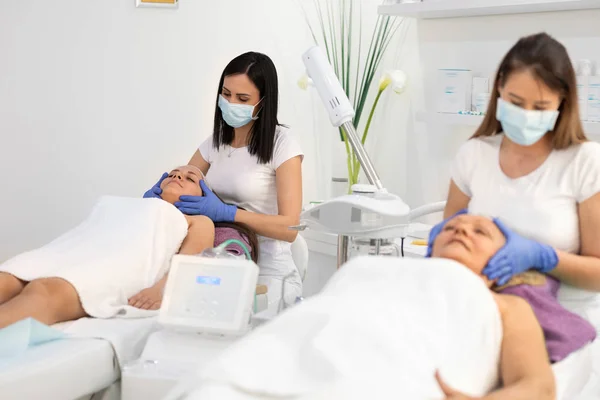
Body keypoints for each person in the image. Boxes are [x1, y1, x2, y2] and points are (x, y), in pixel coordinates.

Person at [167, 214, 578, 400]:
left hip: (386, 374)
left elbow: (537, 387)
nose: (461, 230)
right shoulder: (375, 268)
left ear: (503, 262)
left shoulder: (504, 304)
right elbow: (328, 311)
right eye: (451, 227)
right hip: (295, 349)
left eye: (480, 231)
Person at [427, 33, 600, 330]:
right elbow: (450, 239)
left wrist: (544, 257)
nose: (526, 115)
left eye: (541, 107)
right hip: (480, 314)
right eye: (515, 102)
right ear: (499, 89)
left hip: (561, 320)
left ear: (562, 103)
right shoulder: (474, 155)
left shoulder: (585, 161)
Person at [0, 165, 255, 328]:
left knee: (44, 291)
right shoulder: (132, 205)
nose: (178, 175)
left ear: (204, 197)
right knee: (7, 280)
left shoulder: (199, 220)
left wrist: (161, 289)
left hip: (115, 266)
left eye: (189, 178)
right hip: (68, 253)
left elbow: (191, 263)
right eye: (174, 173)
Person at [144, 52, 303, 311]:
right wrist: (158, 198)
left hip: (268, 273)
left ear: (263, 102)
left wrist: (229, 213)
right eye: (226, 94)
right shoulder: (214, 143)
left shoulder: (283, 145)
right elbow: (183, 187)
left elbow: (290, 229)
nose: (231, 103)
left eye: (242, 99)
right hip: (216, 262)